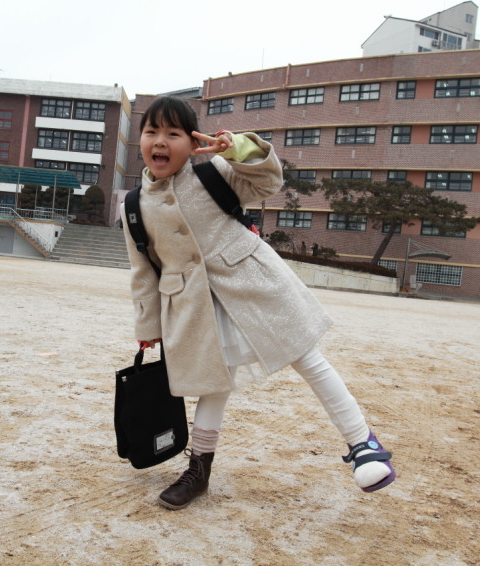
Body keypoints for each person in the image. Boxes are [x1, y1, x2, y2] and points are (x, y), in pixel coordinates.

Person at [120, 96, 395, 510]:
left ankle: (363, 443)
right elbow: (142, 271)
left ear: (194, 142)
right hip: (195, 306)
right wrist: (148, 328)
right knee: (214, 385)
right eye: (151, 132)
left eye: (173, 133)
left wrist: (239, 148)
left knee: (309, 359)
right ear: (140, 140)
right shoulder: (133, 205)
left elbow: (269, 182)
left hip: (256, 283)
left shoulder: (214, 171)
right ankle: (199, 470)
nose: (160, 141)